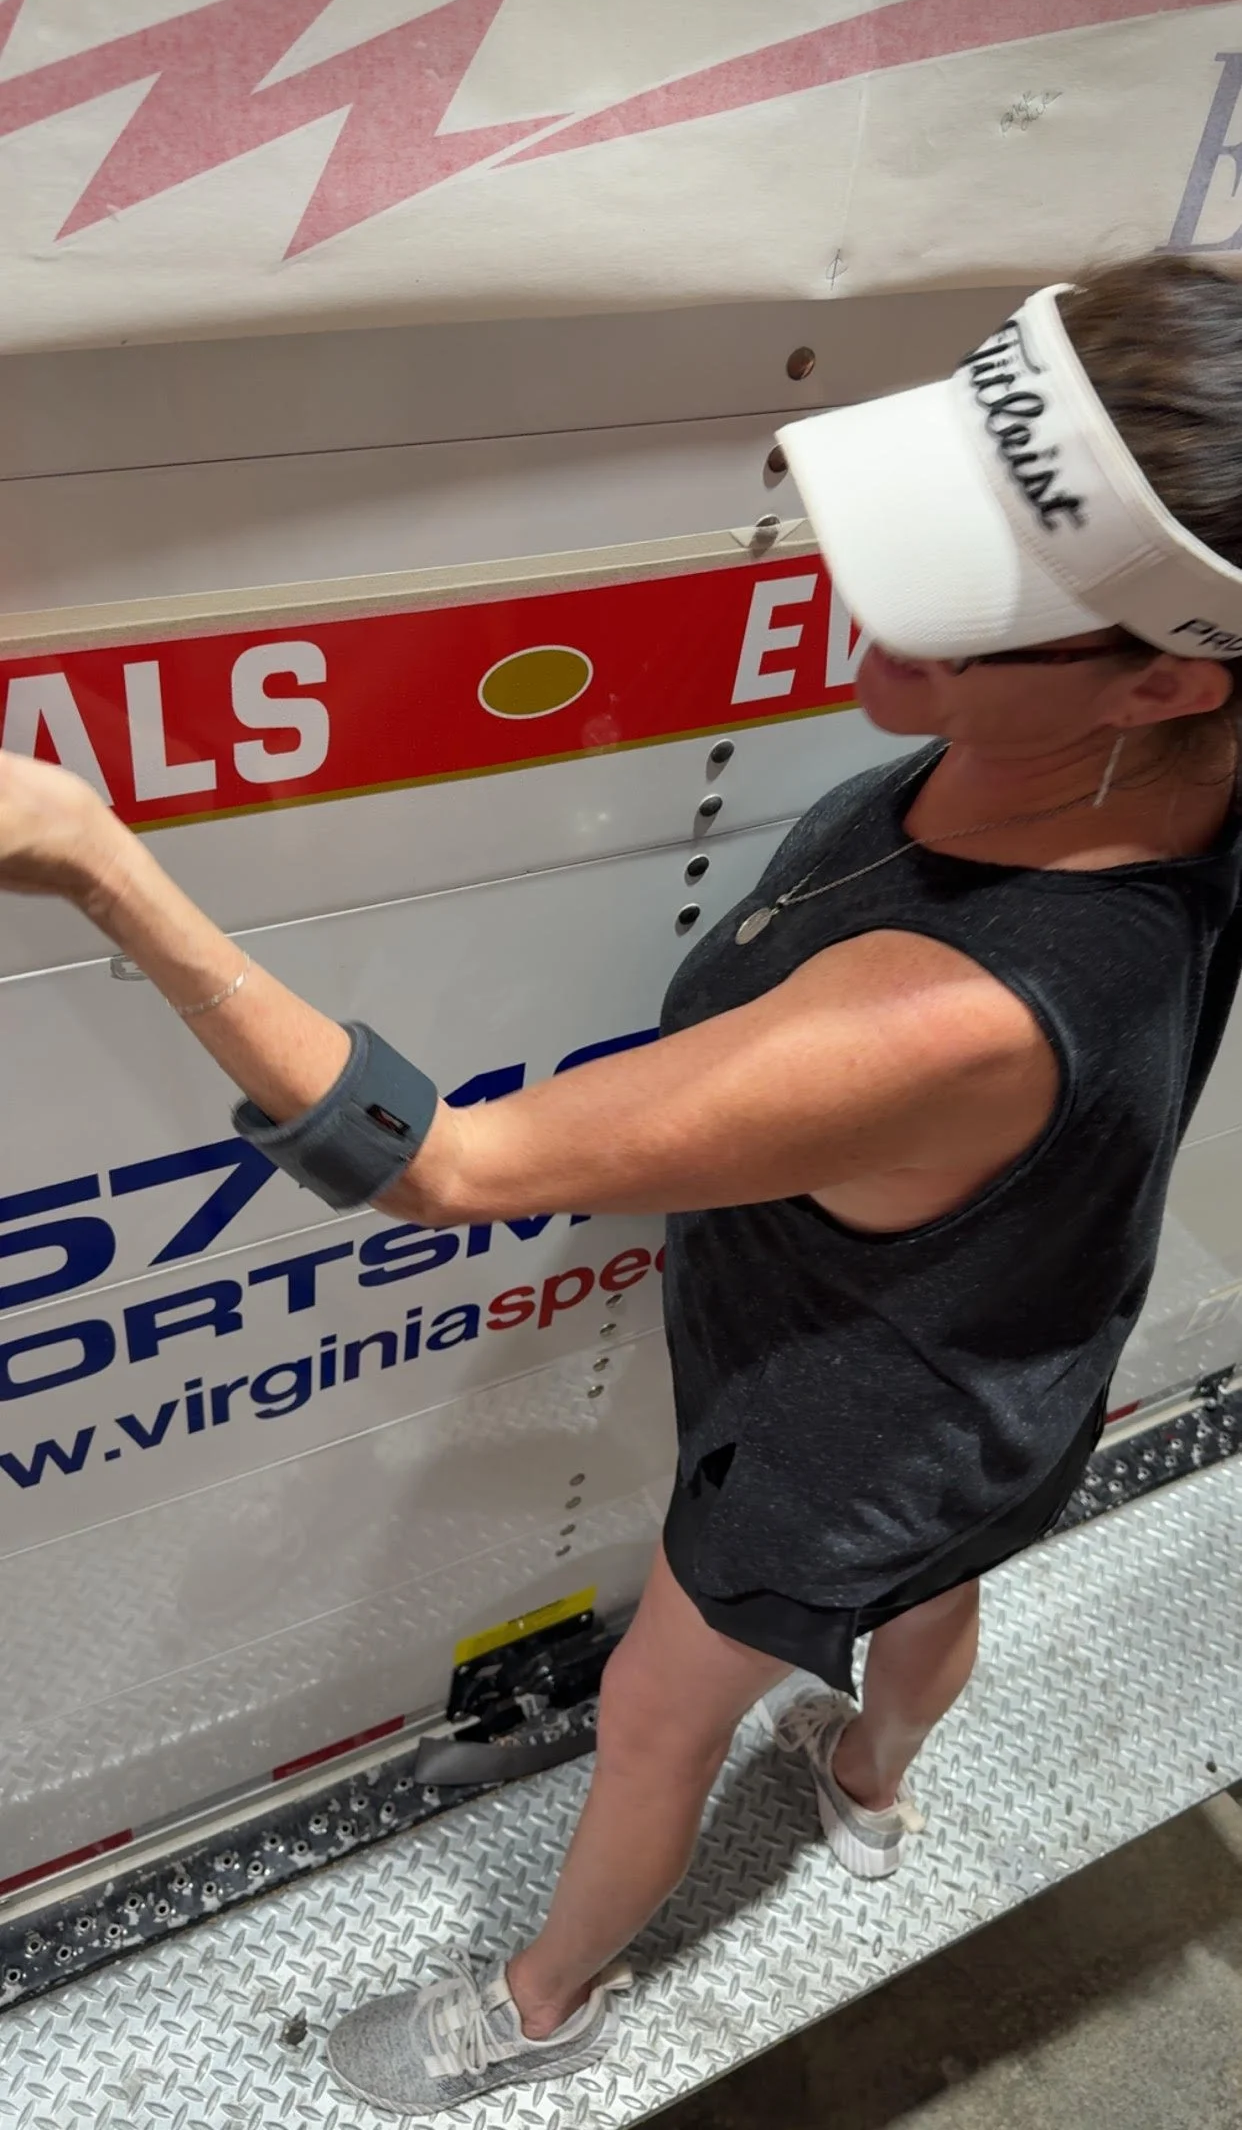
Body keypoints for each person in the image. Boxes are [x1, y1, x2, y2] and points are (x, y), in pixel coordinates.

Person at [3, 252, 1242, 2114]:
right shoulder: (1172, 770)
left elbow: (441, 1162)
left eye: (950, 601)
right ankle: (868, 1786)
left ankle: (547, 2000)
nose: (861, 599)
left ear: (1157, 671)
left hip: (848, 1426)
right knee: (951, 1568)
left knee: (664, 1718)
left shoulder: (949, 1014)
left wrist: (101, 858)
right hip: (1038, 1335)